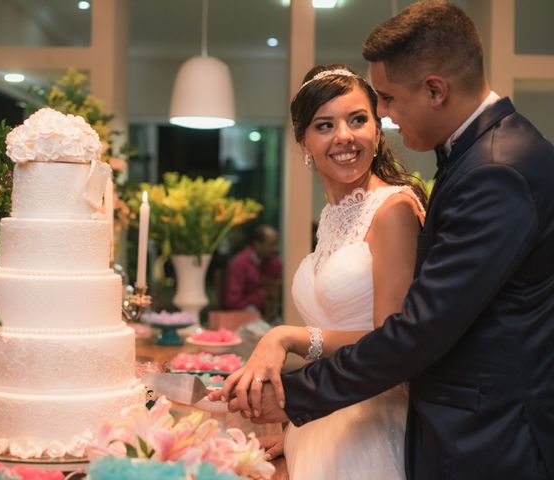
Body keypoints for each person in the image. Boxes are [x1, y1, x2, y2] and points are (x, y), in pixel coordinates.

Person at [216, 1, 554, 479]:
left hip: (490, 439)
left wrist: (294, 393)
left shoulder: (495, 169)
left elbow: (417, 330)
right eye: (325, 125)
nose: (386, 116)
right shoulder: (475, 155)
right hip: (443, 426)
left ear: (435, 90)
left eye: (386, 102)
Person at [213, 61, 427, 478]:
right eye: (325, 125)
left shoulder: (394, 209)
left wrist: (287, 336)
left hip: (371, 428)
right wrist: (296, 429)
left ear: (378, 131)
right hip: (324, 416)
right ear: (303, 141)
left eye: (358, 120)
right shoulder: (332, 216)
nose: (344, 136)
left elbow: (394, 339)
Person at [221, 224, 282, 318]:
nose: (275, 249)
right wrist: (260, 297)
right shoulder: (238, 264)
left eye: (276, 244)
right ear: (257, 244)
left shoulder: (275, 264)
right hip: (243, 318)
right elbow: (232, 301)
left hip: (271, 316)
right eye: (271, 245)